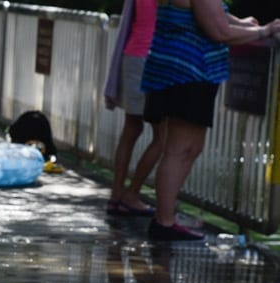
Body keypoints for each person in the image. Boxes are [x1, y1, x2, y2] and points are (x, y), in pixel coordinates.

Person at [141, 0, 280, 240]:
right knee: (179, 149)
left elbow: (214, 16)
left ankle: (166, 218)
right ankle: (163, 221)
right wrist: (264, 31)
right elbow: (219, 32)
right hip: (186, 73)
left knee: (189, 148)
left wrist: (241, 23)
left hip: (183, 71)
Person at [103, 0, 164, 217]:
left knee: (131, 128)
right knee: (162, 136)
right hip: (153, 59)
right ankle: (132, 194)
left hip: (132, 56)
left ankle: (116, 196)